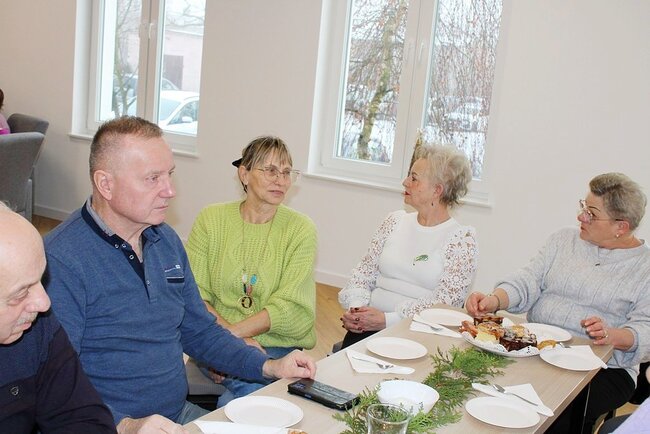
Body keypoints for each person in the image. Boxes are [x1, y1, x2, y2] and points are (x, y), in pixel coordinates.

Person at [43, 116, 316, 434]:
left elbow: (200, 331)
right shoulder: (61, 260)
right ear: (106, 184)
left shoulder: (165, 241)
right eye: (152, 178)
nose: (170, 191)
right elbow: (53, 382)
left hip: (175, 417)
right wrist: (126, 425)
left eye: (169, 175)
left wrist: (269, 366)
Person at [466, 172, 650, 434]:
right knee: (478, 388)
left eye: (591, 213)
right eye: (583, 207)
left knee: (552, 416)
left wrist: (612, 334)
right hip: (536, 350)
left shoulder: (644, 267)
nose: (581, 217)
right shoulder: (563, 240)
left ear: (621, 227)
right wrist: (494, 300)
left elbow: (646, 329)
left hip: (604, 369)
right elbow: (528, 279)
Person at [186, 136, 317, 407]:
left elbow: (290, 308)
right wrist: (227, 346)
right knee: (253, 397)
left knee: (242, 398)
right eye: (270, 170)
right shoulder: (211, 220)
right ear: (244, 174)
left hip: (275, 346)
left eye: (286, 172)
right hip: (214, 337)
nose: (280, 180)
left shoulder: (301, 229)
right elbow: (194, 296)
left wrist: (228, 344)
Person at [338, 143, 478, 348]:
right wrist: (357, 311)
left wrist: (387, 320)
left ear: (437, 190)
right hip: (366, 327)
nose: (405, 182)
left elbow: (445, 303)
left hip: (417, 335)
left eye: (414, 178)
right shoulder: (394, 221)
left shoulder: (461, 239)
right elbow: (363, 273)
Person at [0, 202, 116, 433]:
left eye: (41, 279)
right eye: (21, 293)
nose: (44, 303)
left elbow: (85, 419)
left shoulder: (36, 327)